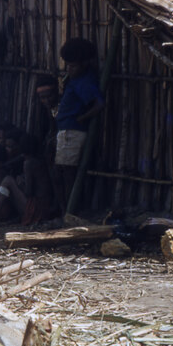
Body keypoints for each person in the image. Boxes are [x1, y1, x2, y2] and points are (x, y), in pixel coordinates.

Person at [53, 38, 105, 215]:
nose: (69, 69)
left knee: (67, 173)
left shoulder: (84, 82)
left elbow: (98, 105)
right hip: (67, 130)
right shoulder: (77, 79)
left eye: (73, 66)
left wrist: (82, 118)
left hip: (72, 131)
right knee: (62, 171)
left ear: (84, 64)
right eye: (67, 65)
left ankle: (70, 212)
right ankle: (67, 210)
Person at [0, 133, 54, 228]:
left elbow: (28, 192)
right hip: (44, 207)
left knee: (8, 180)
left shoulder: (28, 163)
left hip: (36, 209)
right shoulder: (39, 161)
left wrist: (20, 183)